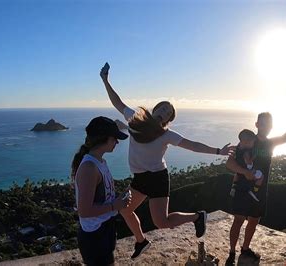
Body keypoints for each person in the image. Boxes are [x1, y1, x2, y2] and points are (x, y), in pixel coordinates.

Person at [100, 62, 235, 260]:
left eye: (167, 113)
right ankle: (141, 241)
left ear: (167, 119)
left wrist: (218, 150)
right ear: (155, 109)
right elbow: (117, 102)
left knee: (161, 222)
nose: (163, 112)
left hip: (157, 179)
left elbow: (192, 145)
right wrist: (105, 80)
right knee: (125, 210)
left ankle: (198, 216)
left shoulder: (166, 135)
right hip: (139, 178)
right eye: (162, 108)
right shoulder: (134, 120)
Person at [225, 100, 286, 265]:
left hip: (260, 190)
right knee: (238, 220)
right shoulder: (246, 141)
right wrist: (246, 172)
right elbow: (229, 164)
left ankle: (245, 249)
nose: (266, 126)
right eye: (263, 123)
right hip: (242, 188)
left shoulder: (270, 143)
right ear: (257, 124)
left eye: (269, 124)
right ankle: (232, 253)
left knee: (254, 221)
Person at [71, 116, 132, 266]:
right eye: (115, 139)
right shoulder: (89, 168)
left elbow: (102, 197)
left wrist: (119, 200)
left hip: (104, 228)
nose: (117, 142)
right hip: (94, 235)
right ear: (105, 138)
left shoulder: (100, 162)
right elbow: (84, 211)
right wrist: (114, 206)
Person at [229, 129, 264, 202]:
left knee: (237, 174)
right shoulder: (246, 152)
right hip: (248, 170)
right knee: (261, 176)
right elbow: (248, 162)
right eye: (252, 143)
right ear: (246, 142)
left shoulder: (237, 149)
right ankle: (255, 190)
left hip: (240, 170)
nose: (253, 144)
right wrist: (253, 158)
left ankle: (234, 186)